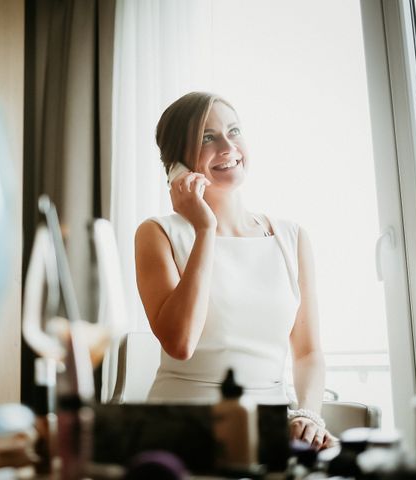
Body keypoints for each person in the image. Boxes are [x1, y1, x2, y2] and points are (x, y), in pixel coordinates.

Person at [134, 91, 336, 450]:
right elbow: (180, 343)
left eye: (234, 130)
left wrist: (307, 414)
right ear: (176, 164)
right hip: (182, 432)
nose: (228, 146)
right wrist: (204, 230)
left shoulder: (291, 237)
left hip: (268, 430)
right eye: (207, 137)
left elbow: (307, 352)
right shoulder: (157, 233)